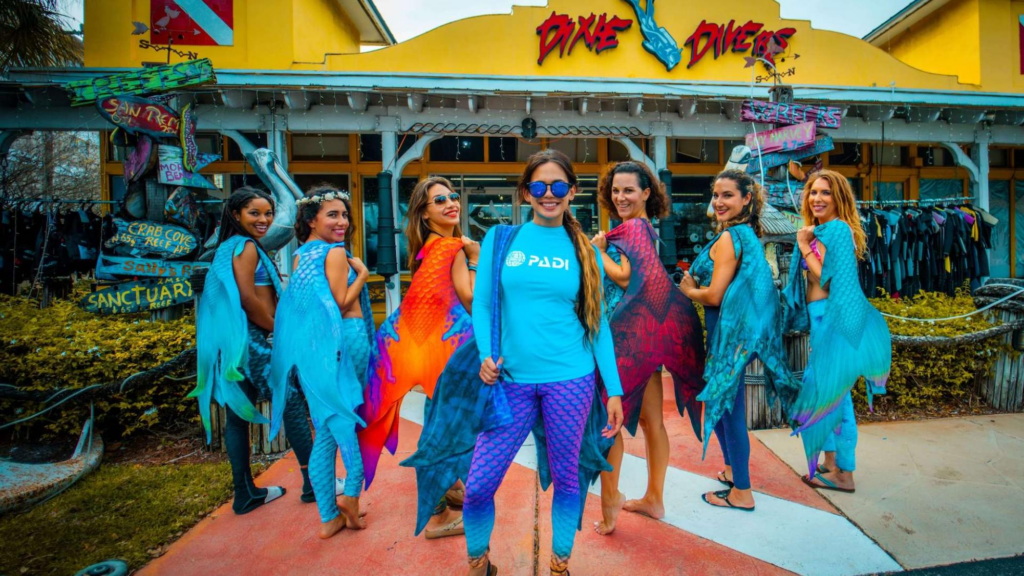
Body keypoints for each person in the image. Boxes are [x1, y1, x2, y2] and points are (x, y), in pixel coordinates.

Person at [451, 149, 623, 576]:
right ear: (526, 192)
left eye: (559, 186)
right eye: (540, 186)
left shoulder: (583, 249)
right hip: (510, 381)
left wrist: (614, 388)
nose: (550, 194)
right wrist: (487, 354)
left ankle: (560, 565)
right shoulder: (501, 239)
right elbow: (484, 306)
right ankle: (478, 564)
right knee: (478, 486)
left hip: (571, 380)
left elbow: (597, 324)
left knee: (567, 480)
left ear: (572, 193)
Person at [358, 176, 480, 539]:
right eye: (439, 201)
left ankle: (447, 489)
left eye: (453, 196)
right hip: (448, 354)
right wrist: (474, 259)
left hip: (436, 350)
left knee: (438, 422)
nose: (450, 204)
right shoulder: (452, 247)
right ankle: (437, 516)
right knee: (445, 427)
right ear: (425, 215)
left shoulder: (427, 246)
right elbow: (469, 298)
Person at [591, 161, 705, 535]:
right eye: (615, 189)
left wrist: (597, 251)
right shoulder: (644, 228)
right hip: (647, 333)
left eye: (628, 190)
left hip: (628, 337)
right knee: (651, 422)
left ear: (646, 194)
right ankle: (654, 498)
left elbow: (626, 279)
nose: (620, 196)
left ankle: (610, 507)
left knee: (612, 421)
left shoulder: (633, 228)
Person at [193, 186, 318, 515]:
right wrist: (277, 330)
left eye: (267, 213)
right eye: (254, 213)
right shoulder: (246, 247)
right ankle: (313, 483)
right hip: (251, 340)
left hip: (233, 344)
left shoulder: (228, 247)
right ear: (236, 215)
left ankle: (245, 493)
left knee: (237, 417)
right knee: (291, 403)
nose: (263, 220)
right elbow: (248, 299)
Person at [679, 170, 798, 512]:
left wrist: (689, 291)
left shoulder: (731, 238)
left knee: (728, 412)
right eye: (715, 195)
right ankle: (733, 471)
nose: (718, 202)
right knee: (723, 408)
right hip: (733, 336)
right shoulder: (745, 235)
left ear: (747, 198)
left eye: (727, 195)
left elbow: (715, 295)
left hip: (727, 336)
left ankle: (742, 492)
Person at [269, 187, 373, 539]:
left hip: (317, 350)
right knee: (347, 423)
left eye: (344, 215)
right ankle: (353, 499)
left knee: (325, 433)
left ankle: (329, 516)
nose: (342, 221)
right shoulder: (335, 252)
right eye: (333, 215)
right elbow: (340, 301)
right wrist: (362, 274)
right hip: (348, 339)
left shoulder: (300, 256)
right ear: (310, 220)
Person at [783, 170, 891, 492]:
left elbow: (829, 282)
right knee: (824, 393)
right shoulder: (822, 231)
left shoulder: (838, 231)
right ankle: (831, 464)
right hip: (821, 319)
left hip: (832, 318)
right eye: (813, 192)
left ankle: (845, 471)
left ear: (839, 198)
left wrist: (803, 247)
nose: (817, 198)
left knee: (837, 398)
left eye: (825, 193)